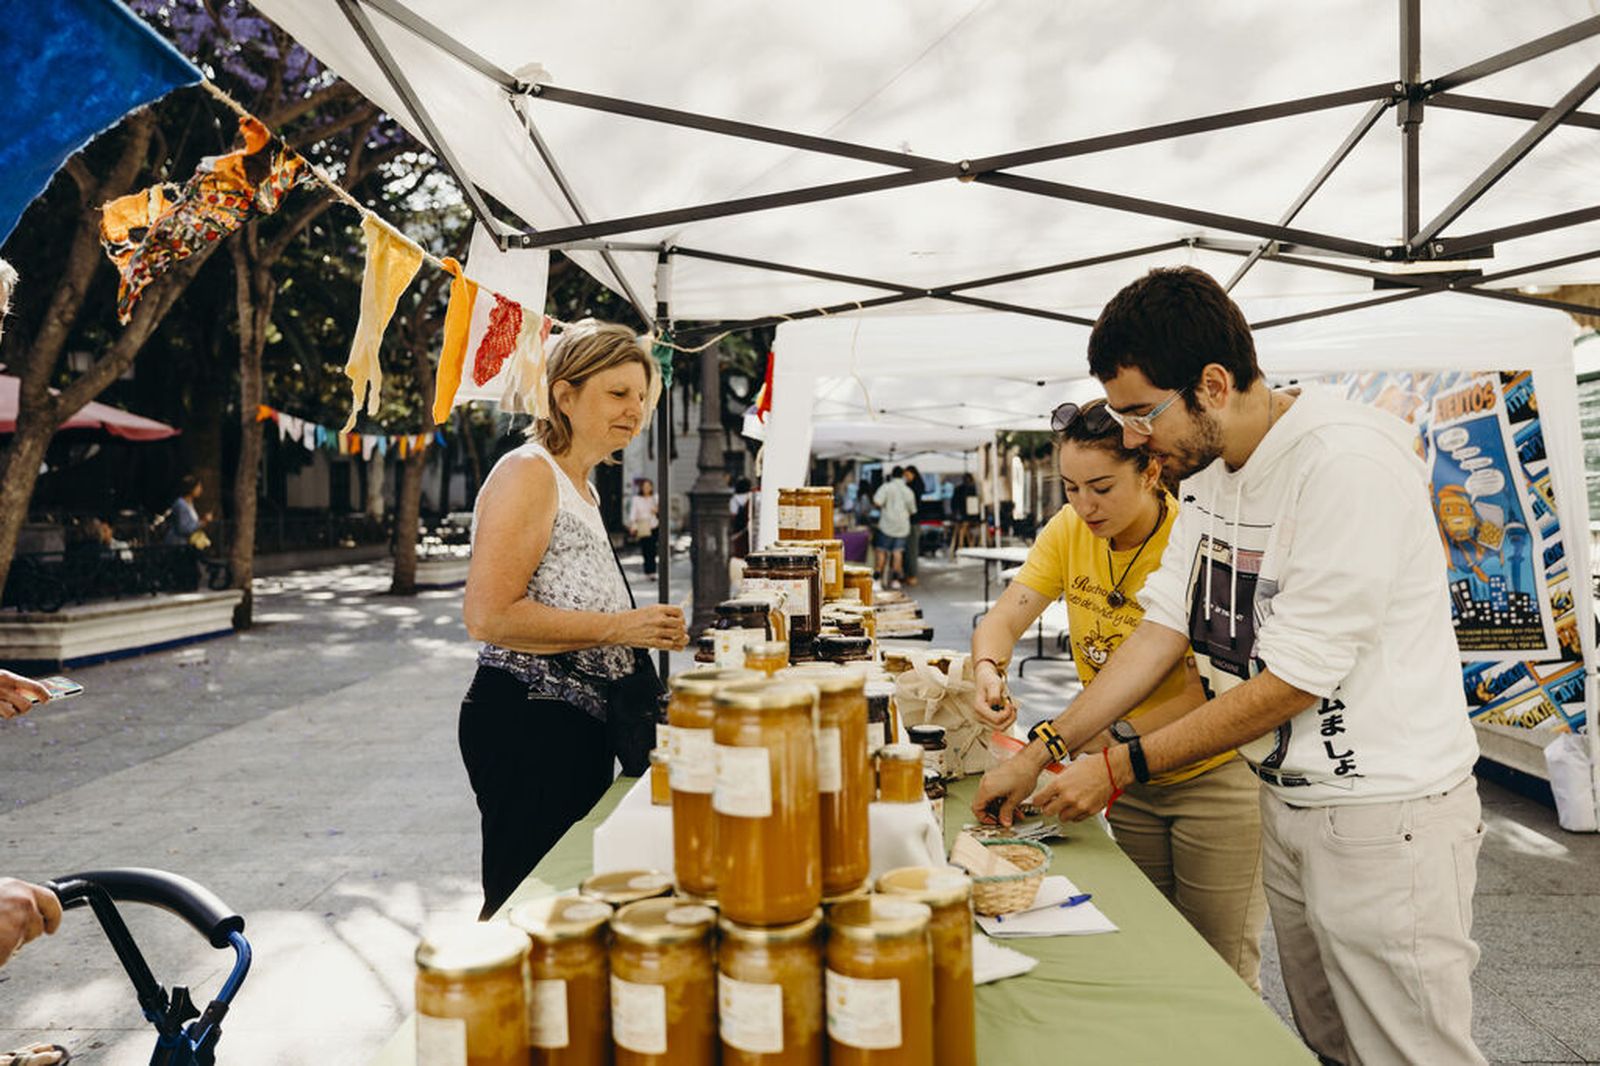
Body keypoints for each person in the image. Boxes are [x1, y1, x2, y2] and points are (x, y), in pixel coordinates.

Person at [973, 266, 1486, 1066]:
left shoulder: (1342, 464)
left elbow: (1290, 682)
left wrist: (1115, 768)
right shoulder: (1211, 475)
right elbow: (1162, 629)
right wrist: (1047, 746)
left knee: (1410, 1049)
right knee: (1331, 1040)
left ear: (1212, 385)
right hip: (1290, 799)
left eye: (1143, 413)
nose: (1136, 436)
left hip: (1388, 815)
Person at [971, 398, 1266, 987]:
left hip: (1212, 781)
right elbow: (1003, 618)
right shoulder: (1068, 530)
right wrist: (987, 667)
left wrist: (1072, 747)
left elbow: (1209, 688)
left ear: (1151, 471)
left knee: (1220, 973)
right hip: (1122, 778)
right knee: (1147, 957)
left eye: (1101, 487)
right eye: (1071, 488)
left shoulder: (1192, 537)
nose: (1084, 506)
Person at [460, 319, 688, 919]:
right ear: (565, 394)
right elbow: (487, 616)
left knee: (559, 902)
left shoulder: (579, 486)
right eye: (617, 394)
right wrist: (619, 627)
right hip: (529, 724)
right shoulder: (528, 472)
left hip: (575, 727)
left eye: (641, 396)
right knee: (526, 904)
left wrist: (640, 628)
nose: (635, 410)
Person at [872, 466, 916, 588]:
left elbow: (877, 501)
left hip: (886, 524)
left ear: (892, 475)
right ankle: (895, 581)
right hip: (902, 526)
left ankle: (877, 580)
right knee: (898, 553)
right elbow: (912, 510)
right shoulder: (908, 491)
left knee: (881, 551)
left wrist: (885, 507)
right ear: (902, 475)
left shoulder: (886, 487)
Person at [162, 475, 210, 547]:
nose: (200, 490)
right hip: (177, 545)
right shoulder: (181, 504)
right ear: (191, 489)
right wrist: (201, 523)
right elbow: (183, 528)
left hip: (185, 545)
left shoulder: (189, 504)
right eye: (198, 487)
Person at [628, 477, 660, 576]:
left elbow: (660, 510)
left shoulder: (655, 497)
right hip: (643, 525)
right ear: (641, 488)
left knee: (653, 549)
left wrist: (656, 511)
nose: (646, 488)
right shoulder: (637, 499)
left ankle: (653, 571)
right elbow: (633, 513)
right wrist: (632, 525)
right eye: (644, 486)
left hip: (654, 525)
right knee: (646, 548)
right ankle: (648, 571)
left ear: (651, 487)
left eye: (648, 486)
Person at [901, 465, 926, 586]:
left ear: (913, 474)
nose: (906, 477)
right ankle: (909, 575)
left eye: (907, 475)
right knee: (910, 550)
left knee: (911, 550)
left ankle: (912, 575)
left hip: (912, 521)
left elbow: (912, 508)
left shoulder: (912, 488)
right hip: (913, 521)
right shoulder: (917, 486)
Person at [948, 472, 979, 556]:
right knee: (962, 531)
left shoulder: (960, 489)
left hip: (963, 516)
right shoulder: (973, 489)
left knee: (962, 532)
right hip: (968, 516)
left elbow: (953, 504)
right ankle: (963, 547)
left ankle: (961, 548)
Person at [729, 476, 752, 559]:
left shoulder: (734, 499)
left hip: (738, 529)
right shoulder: (750, 496)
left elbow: (733, 515)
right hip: (749, 526)